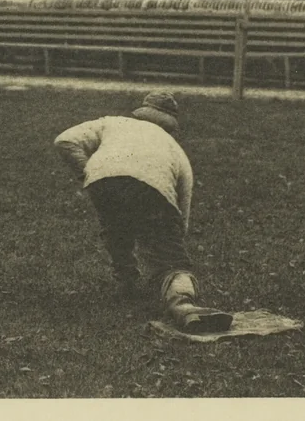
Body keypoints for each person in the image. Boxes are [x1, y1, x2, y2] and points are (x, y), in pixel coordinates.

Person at [54, 92, 233, 334]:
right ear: (170, 125)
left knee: (116, 229)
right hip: (153, 188)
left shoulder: (113, 122)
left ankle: (127, 283)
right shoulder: (175, 148)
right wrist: (174, 240)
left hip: (102, 181)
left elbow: (64, 141)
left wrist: (89, 172)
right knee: (172, 259)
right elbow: (184, 203)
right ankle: (183, 305)